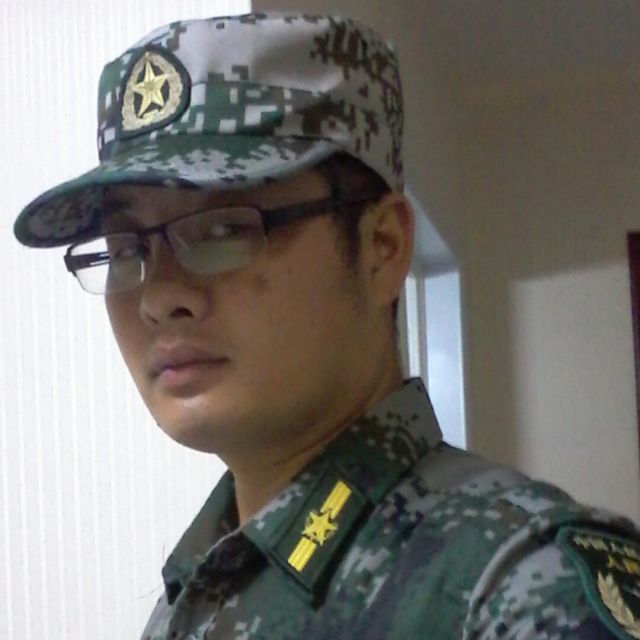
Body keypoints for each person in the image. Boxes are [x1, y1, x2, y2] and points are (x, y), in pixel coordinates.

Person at [13, 11, 640, 640]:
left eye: (224, 229)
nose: (158, 296)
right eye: (126, 248)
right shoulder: (197, 589)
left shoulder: (521, 588)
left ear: (382, 247)